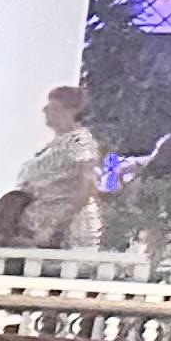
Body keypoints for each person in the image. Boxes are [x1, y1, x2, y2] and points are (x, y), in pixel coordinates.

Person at [22, 86, 106, 248]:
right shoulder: (54, 145)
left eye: (54, 107)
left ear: (71, 111)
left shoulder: (80, 142)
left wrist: (56, 224)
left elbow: (86, 184)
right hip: (40, 229)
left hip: (68, 233)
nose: (45, 110)